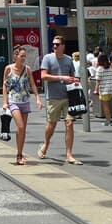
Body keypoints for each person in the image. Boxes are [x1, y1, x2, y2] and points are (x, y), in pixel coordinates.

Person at [39, 37, 82, 165]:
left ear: (63, 45)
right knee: (52, 124)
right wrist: (61, 77)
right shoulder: (48, 58)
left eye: (57, 44)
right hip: (53, 97)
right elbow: (43, 76)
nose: (55, 47)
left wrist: (75, 82)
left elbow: (72, 77)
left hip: (68, 96)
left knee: (69, 123)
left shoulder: (69, 60)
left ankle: (69, 154)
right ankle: (46, 144)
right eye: (53, 44)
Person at [2, 46, 42, 164]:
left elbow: (33, 84)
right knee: (20, 126)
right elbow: (4, 85)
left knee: (23, 130)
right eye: (21, 56)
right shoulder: (8, 69)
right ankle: (19, 155)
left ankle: (19, 154)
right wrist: (5, 101)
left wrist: (38, 98)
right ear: (15, 57)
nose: (23, 58)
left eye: (25, 56)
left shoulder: (27, 69)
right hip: (13, 101)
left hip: (25, 101)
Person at [94, 54, 112, 126]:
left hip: (104, 90)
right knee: (108, 105)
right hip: (111, 88)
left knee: (105, 106)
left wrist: (96, 90)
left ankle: (108, 121)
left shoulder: (99, 69)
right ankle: (109, 119)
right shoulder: (110, 67)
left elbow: (98, 80)